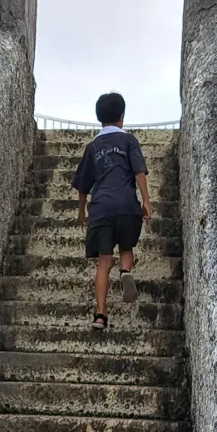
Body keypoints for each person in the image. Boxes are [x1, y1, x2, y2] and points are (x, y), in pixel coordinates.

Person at [72, 92, 151, 330]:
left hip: (101, 208)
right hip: (127, 205)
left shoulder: (92, 146)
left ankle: (100, 316)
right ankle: (125, 270)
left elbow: (84, 184)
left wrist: (81, 211)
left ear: (99, 118)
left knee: (104, 261)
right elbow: (139, 172)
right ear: (122, 117)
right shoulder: (129, 141)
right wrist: (146, 201)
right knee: (127, 247)